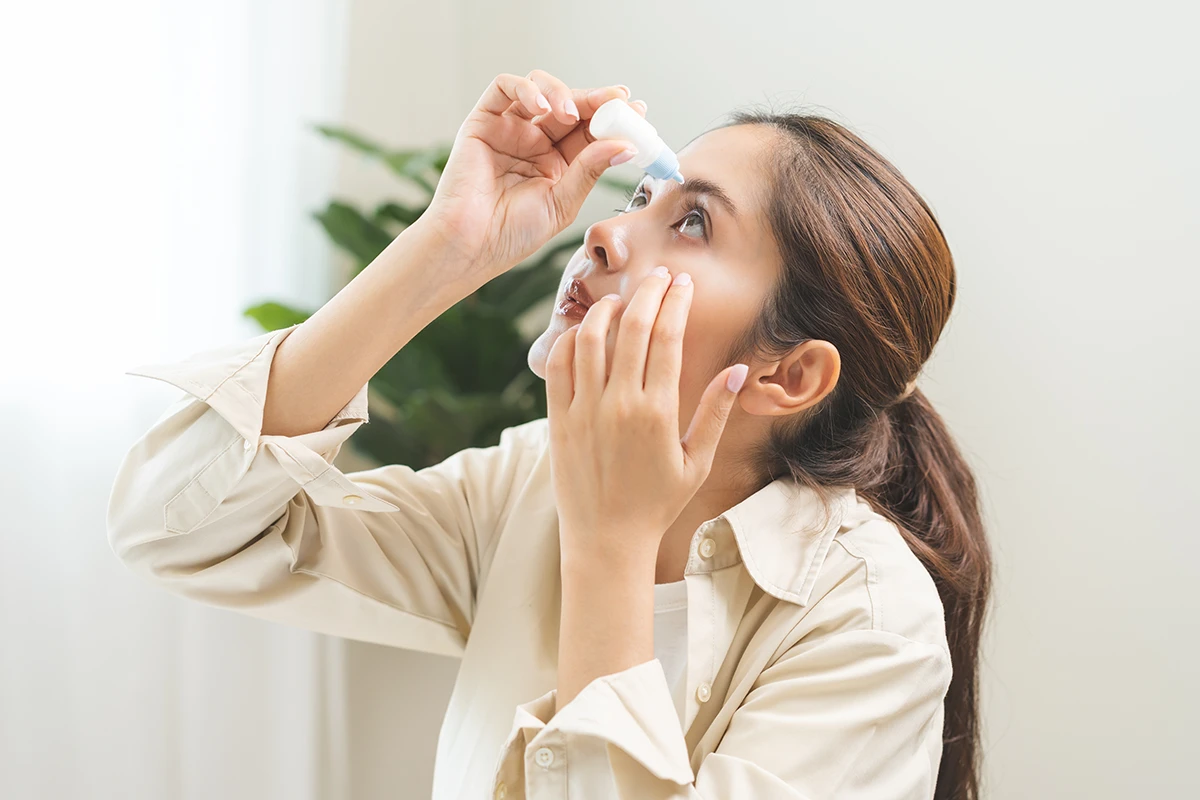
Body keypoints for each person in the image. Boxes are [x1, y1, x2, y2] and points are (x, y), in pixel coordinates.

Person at [108, 70, 991, 800]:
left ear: (788, 375)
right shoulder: (530, 484)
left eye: (691, 222)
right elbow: (179, 528)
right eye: (642, 195)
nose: (606, 232)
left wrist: (612, 547)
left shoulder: (871, 623)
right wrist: (445, 249)